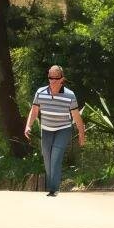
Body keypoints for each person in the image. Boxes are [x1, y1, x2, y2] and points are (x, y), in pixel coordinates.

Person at [24, 65, 86, 197]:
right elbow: (34, 111)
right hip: (46, 129)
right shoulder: (40, 92)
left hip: (63, 129)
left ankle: (54, 189)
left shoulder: (69, 95)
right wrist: (28, 125)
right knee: (47, 159)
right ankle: (52, 186)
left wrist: (81, 133)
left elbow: (76, 115)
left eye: (56, 78)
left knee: (56, 157)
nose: (52, 81)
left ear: (62, 79)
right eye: (50, 77)